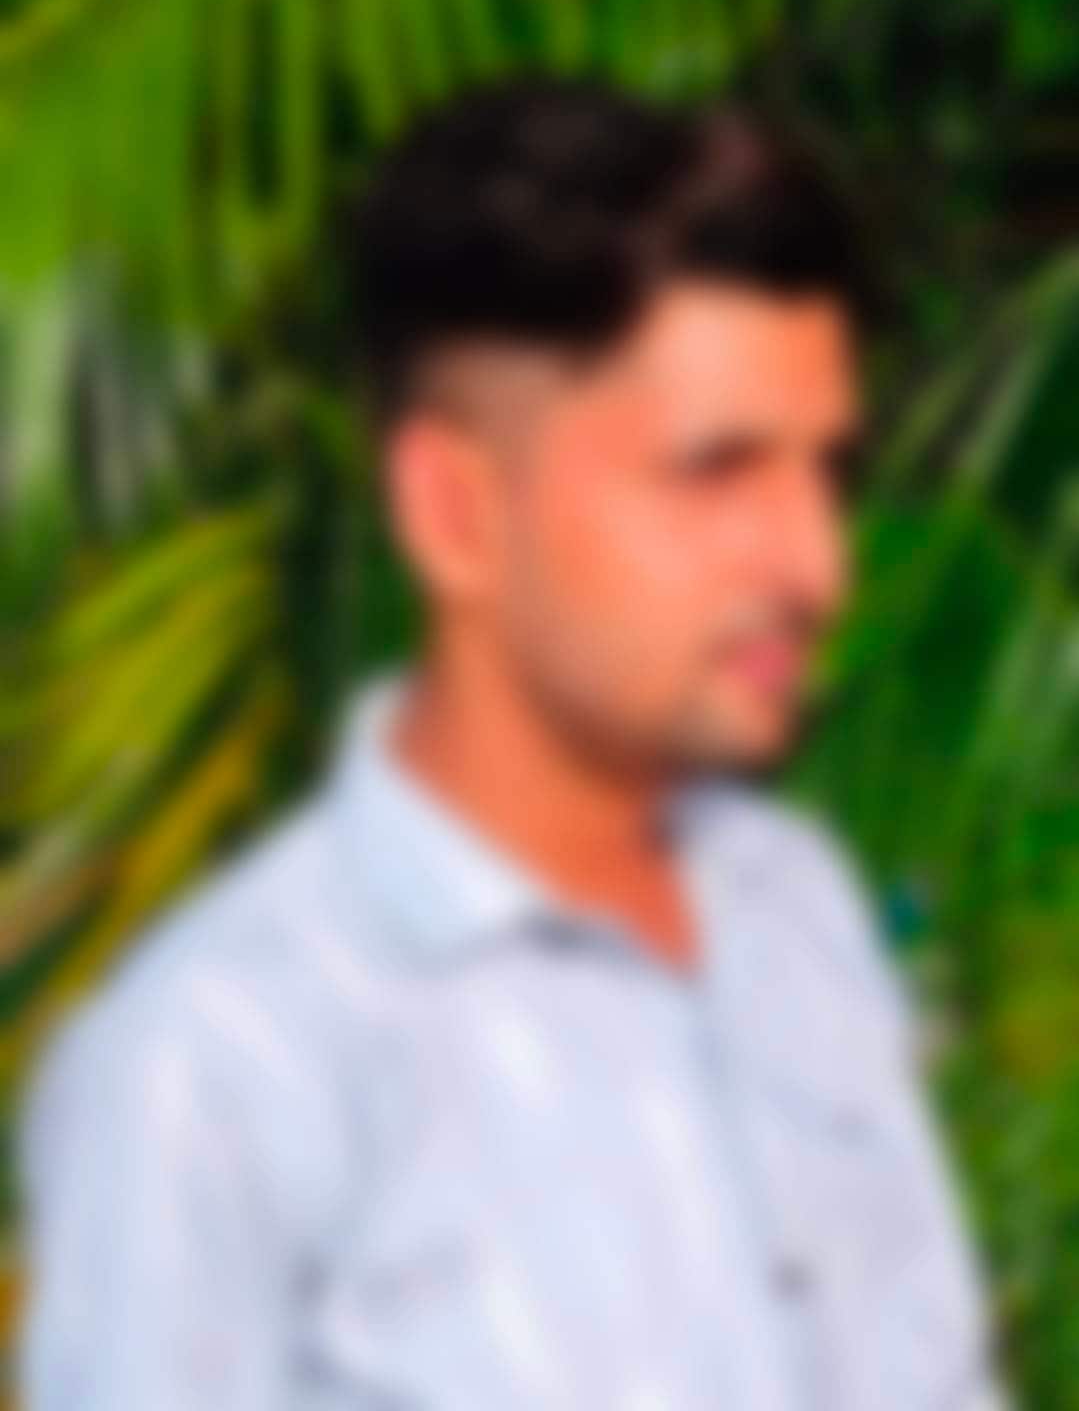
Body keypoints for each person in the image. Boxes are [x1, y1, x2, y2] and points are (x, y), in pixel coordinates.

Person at [18, 76, 1005, 1410]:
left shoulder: (793, 906)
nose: (816, 564)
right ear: (456, 513)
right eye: (717, 471)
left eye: (825, 473)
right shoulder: (220, 1064)